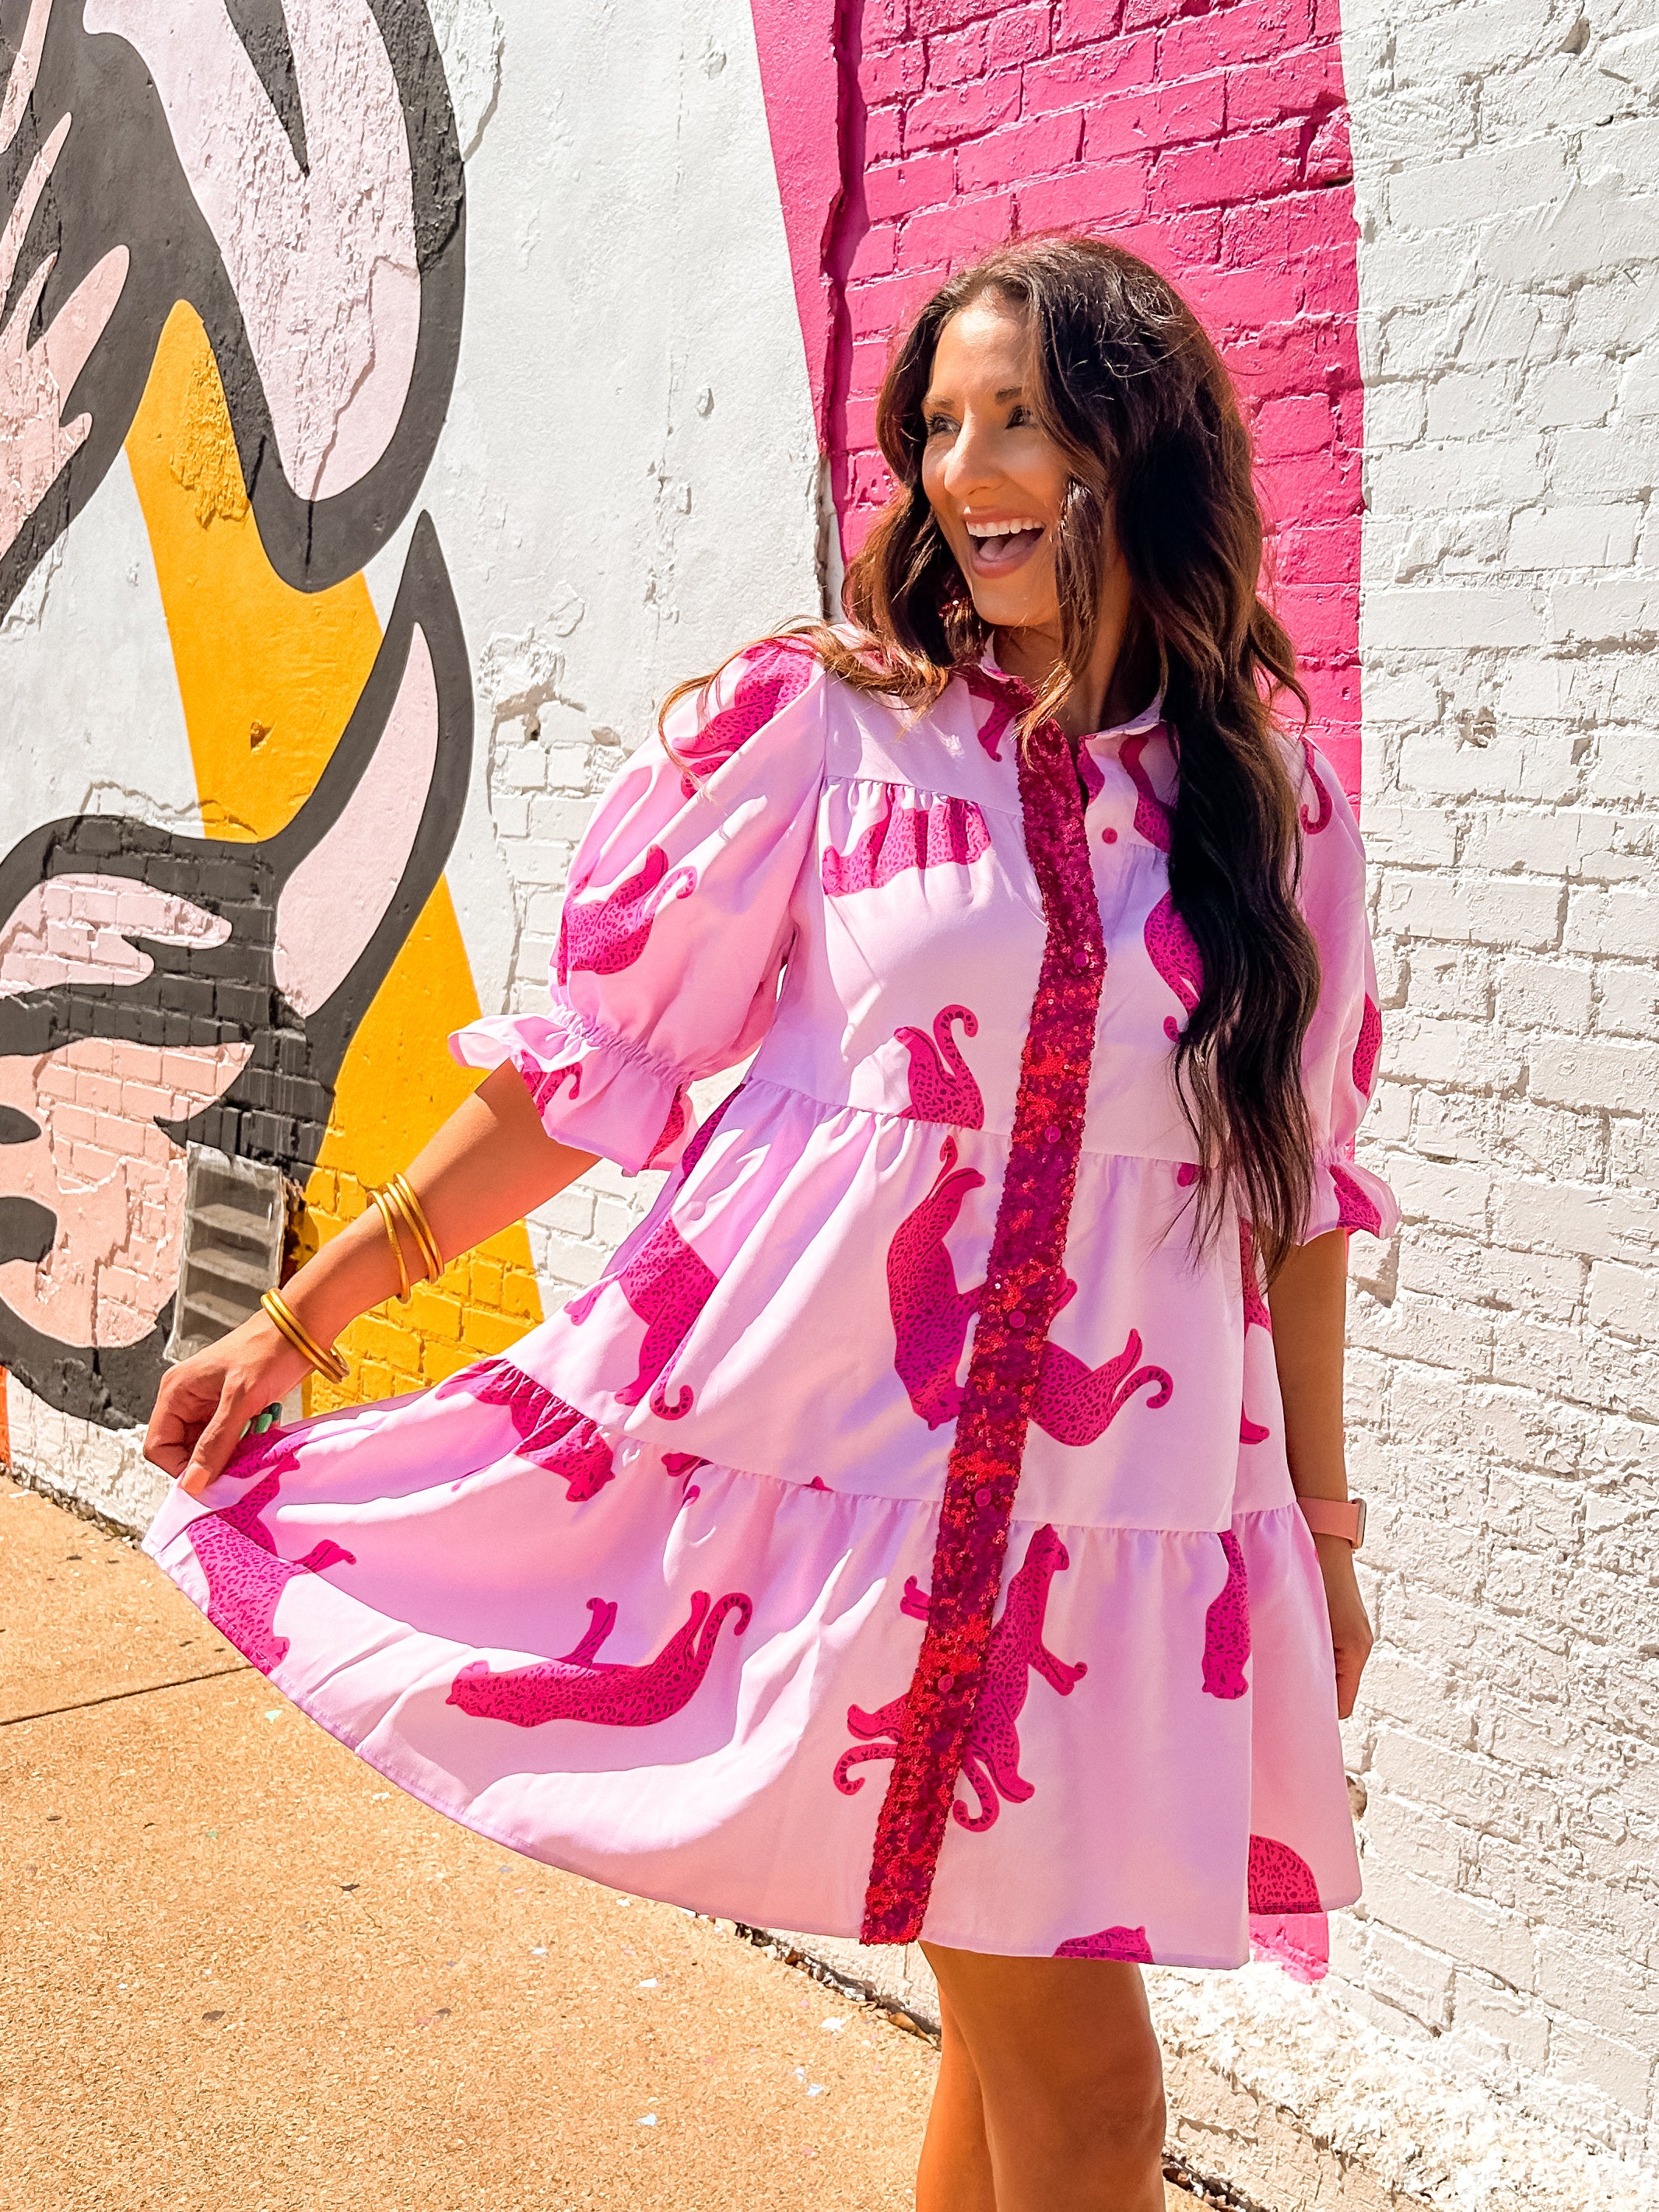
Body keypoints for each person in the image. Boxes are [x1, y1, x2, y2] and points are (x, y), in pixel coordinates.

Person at [144, 234, 1396, 2212]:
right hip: (849, 1501)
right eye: (939, 425)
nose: (959, 466)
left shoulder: (1268, 803)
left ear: (1136, 448)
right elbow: (583, 1075)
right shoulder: (829, 730)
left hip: (1108, 1534)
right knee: (1092, 2110)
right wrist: (300, 1319)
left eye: (1016, 419)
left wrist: (1320, 1535)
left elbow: (1296, 1200)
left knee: (1013, 2087)